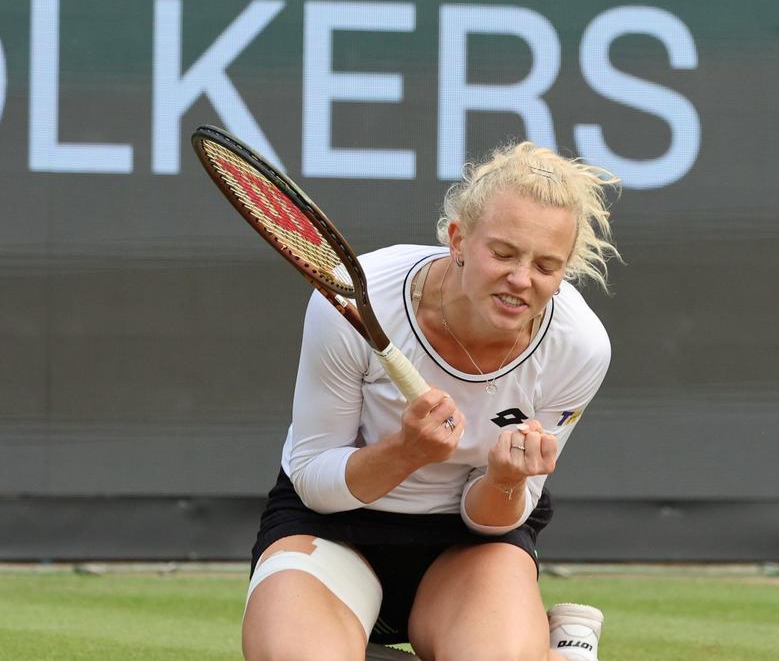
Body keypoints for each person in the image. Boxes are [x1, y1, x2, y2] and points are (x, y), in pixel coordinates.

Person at [243, 141, 621, 661]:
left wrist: (504, 480)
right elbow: (311, 479)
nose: (520, 279)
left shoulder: (578, 346)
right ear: (458, 239)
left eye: (546, 265)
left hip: (470, 546)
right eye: (503, 254)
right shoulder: (358, 296)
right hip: (332, 528)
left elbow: (496, 519)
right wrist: (406, 453)